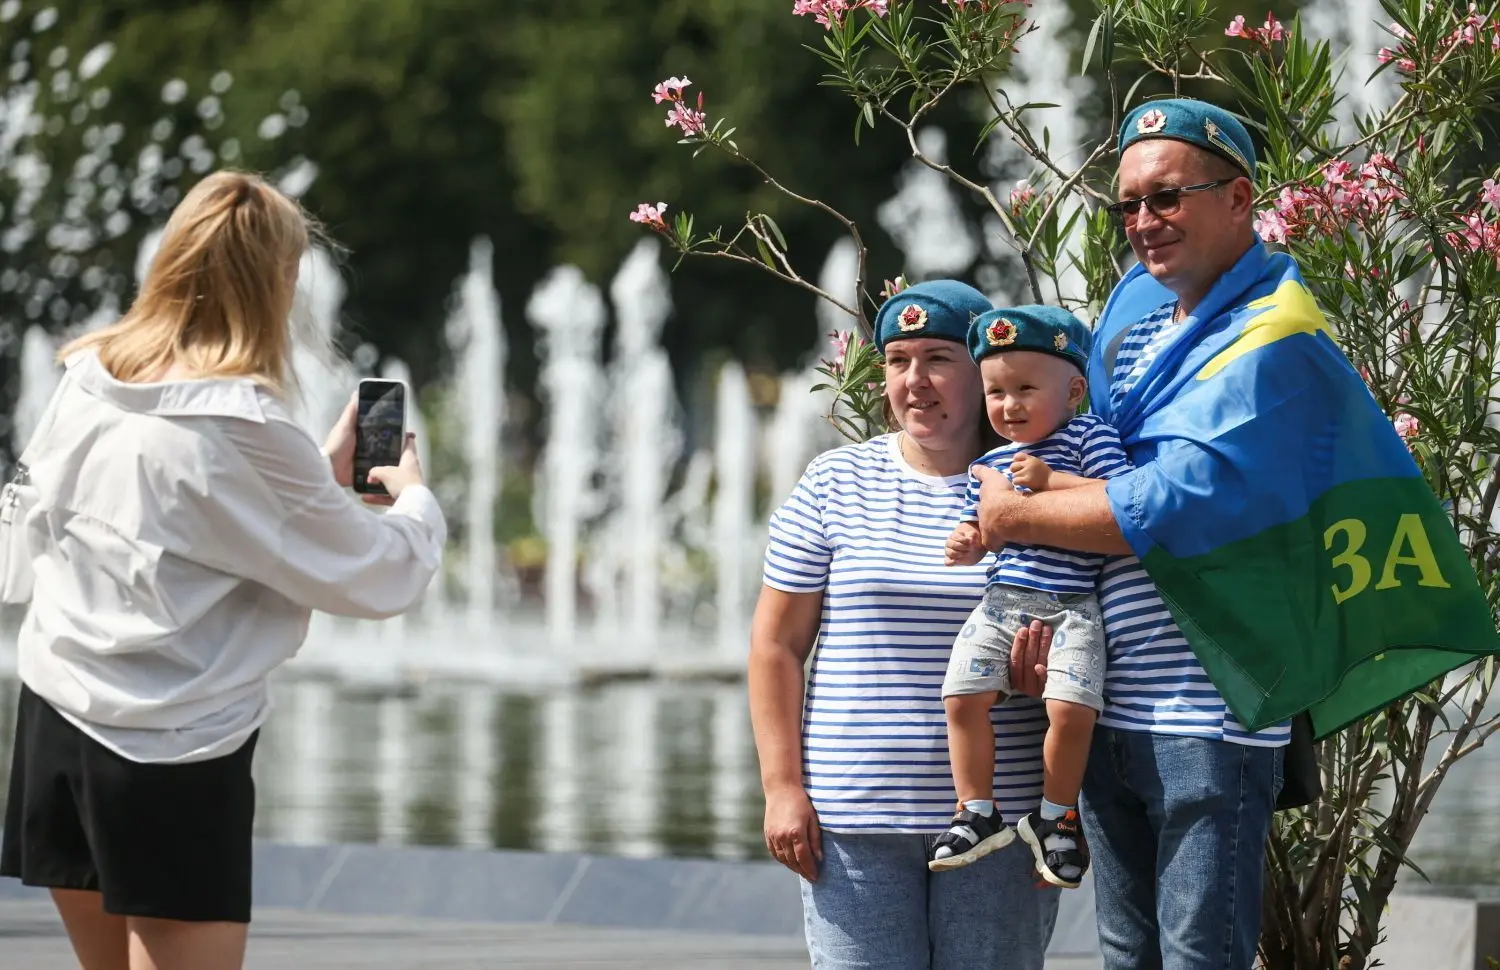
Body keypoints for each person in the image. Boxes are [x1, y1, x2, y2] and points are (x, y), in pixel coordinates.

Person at [0, 171, 446, 970]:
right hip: (168, 751)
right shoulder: (246, 428)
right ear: (274, 283)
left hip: (56, 724)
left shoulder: (91, 376)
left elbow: (144, 519)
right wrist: (412, 499)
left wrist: (310, 475)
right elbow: (379, 577)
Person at [974, 100, 1288, 969]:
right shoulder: (1136, 329)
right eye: (1129, 205)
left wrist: (1014, 517)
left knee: (1198, 957)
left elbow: (1177, 507)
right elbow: (1075, 453)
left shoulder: (1270, 336)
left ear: (1238, 197)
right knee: (1127, 957)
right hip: (1114, 706)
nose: (1144, 222)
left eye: (1167, 197)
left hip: (1209, 715)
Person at [749, 280, 1059, 970]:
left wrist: (1049, 677)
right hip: (853, 820)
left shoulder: (1042, 487)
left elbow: (1086, 630)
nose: (914, 381)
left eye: (939, 359)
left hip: (1002, 820)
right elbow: (776, 644)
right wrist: (782, 789)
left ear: (984, 369)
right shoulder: (833, 482)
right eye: (897, 360)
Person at [930, 305, 1129, 891]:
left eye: (1024, 389)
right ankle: (975, 809)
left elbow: (1121, 496)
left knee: (1072, 709)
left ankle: (1056, 815)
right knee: (961, 697)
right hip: (1001, 600)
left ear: (1073, 390)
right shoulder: (987, 463)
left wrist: (1051, 484)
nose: (1008, 405)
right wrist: (970, 540)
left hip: (1071, 604)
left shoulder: (1088, 435)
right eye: (995, 392)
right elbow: (989, 530)